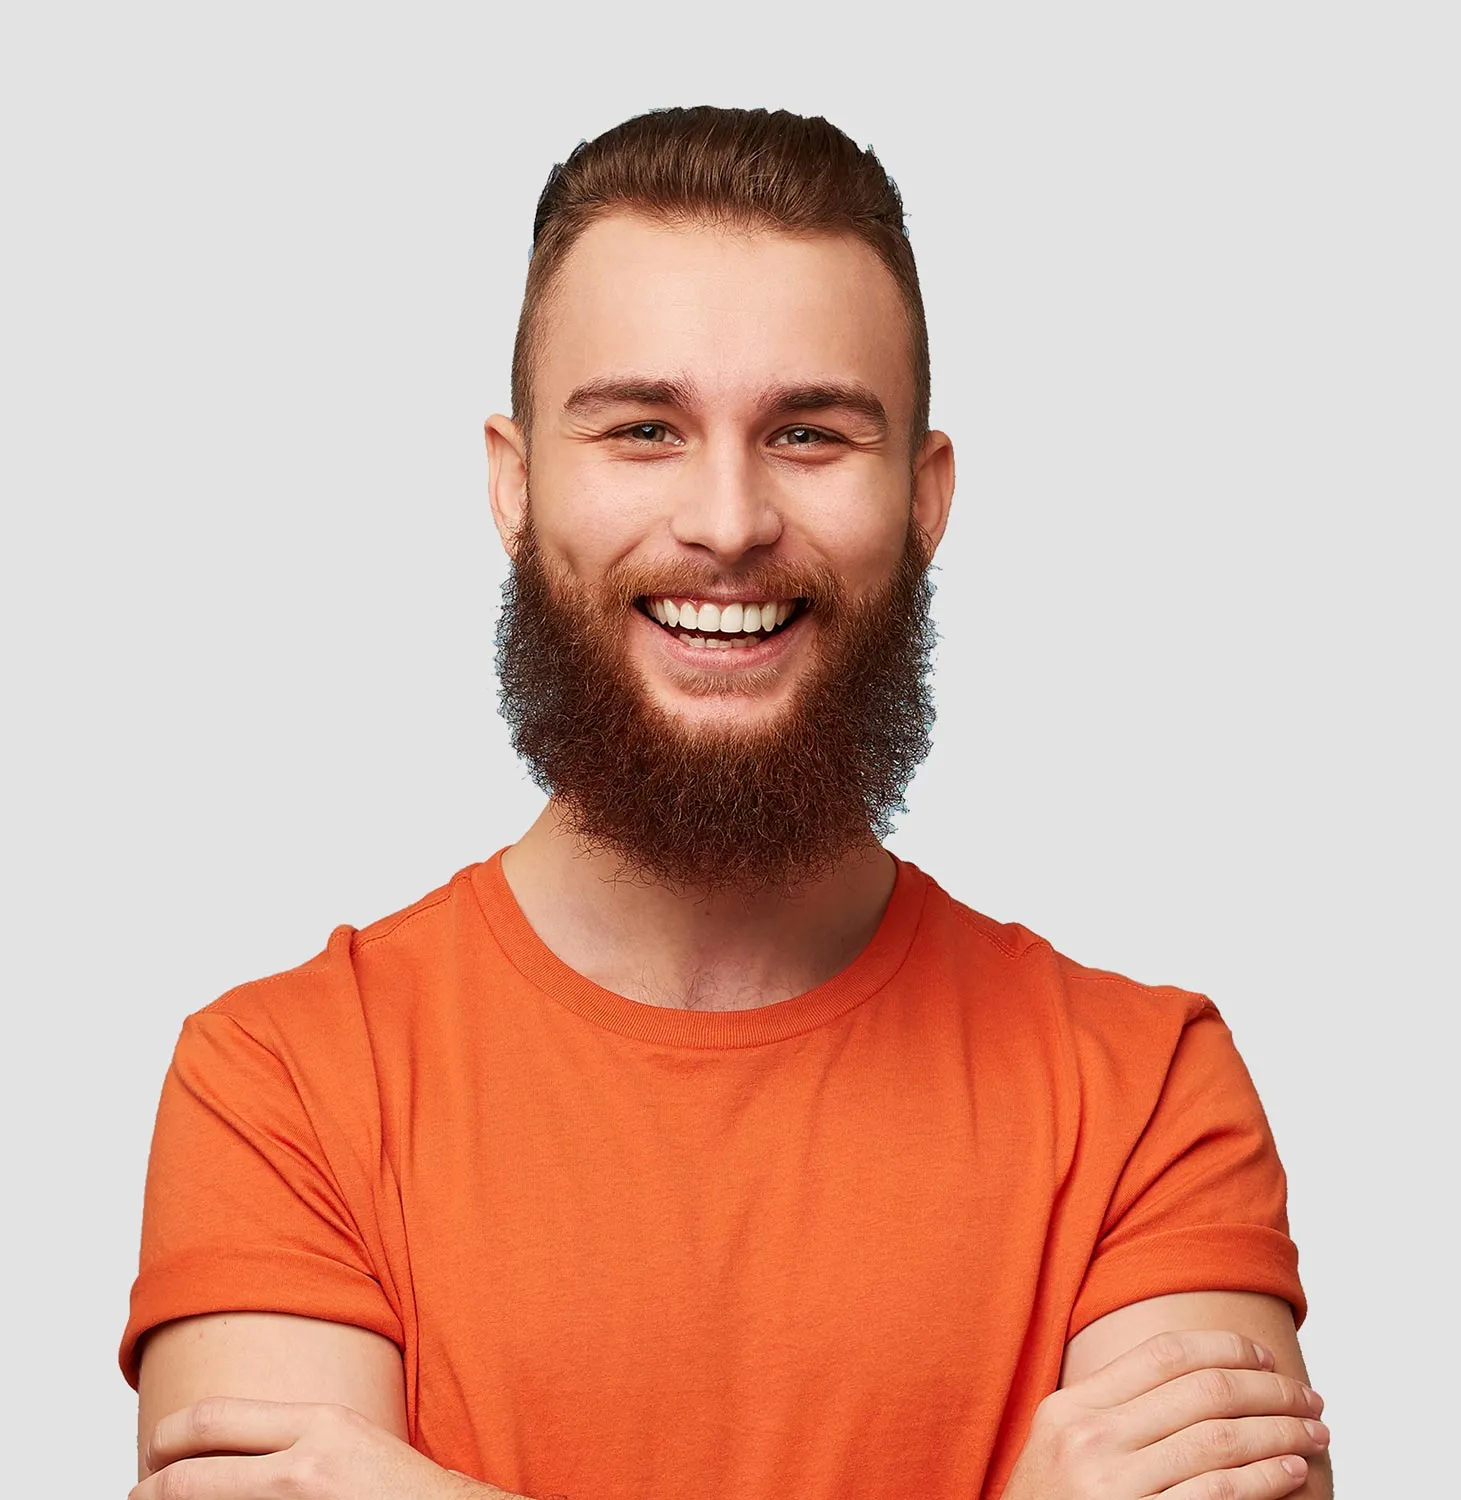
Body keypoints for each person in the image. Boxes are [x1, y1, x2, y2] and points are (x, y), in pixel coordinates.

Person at [120, 106, 1333, 1500]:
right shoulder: (281, 1085)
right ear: (515, 487)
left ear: (924, 501)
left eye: (809, 434)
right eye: (644, 429)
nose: (729, 521)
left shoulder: (1142, 1095)